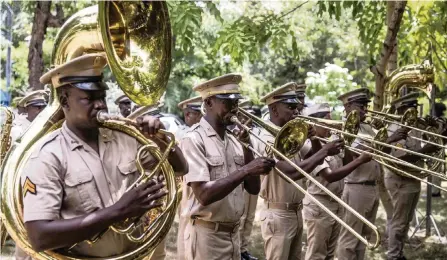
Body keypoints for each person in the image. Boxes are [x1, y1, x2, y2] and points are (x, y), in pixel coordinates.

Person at [18, 53, 188, 259]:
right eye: (89, 99)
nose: (100, 105)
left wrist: (159, 137)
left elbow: (180, 168)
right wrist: (118, 211)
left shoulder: (126, 138)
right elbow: (40, 236)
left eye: (101, 97)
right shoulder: (48, 155)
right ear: (64, 101)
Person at [179, 73, 275, 260]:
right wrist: (246, 169)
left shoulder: (235, 140)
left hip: (233, 234)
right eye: (227, 102)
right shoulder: (193, 139)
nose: (235, 108)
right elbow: (204, 195)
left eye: (236, 103)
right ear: (208, 103)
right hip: (206, 237)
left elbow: (254, 188)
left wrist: (247, 147)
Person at [254, 83, 344, 260]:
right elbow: (292, 174)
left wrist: (313, 139)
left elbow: (314, 157)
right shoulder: (266, 137)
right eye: (291, 107)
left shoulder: (291, 133)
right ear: (274, 109)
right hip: (278, 214)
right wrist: (325, 150)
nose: (296, 112)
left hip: (296, 211)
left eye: (297, 107)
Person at [336, 88, 409, 260]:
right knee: (349, 239)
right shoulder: (346, 128)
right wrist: (389, 138)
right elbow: (359, 152)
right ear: (347, 107)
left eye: (366, 105)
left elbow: (383, 149)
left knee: (364, 237)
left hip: (371, 187)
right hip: (356, 188)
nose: (365, 109)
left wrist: (392, 138)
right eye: (360, 106)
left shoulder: (367, 127)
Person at [302, 103, 372, 260]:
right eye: (327, 121)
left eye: (331, 119)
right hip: (319, 204)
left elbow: (347, 164)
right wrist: (360, 160)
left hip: (336, 201)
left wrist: (346, 141)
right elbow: (330, 175)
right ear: (314, 123)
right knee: (316, 254)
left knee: (329, 254)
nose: (332, 124)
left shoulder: (332, 140)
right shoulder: (311, 146)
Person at [384, 92, 442, 260]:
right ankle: (393, 256)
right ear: (401, 109)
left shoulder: (414, 126)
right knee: (399, 221)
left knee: (406, 220)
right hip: (400, 179)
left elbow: (437, 140)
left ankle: (399, 253)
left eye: (415, 108)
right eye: (411, 108)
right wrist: (425, 151)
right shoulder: (396, 128)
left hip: (413, 177)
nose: (415, 112)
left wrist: (436, 128)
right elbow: (400, 159)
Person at [175, 95, 202, 260]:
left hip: (198, 179)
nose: (201, 117)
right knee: (186, 220)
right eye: (197, 113)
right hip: (186, 183)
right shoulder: (182, 134)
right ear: (187, 115)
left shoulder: (199, 134)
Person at [237, 99, 260, 260]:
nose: (248, 120)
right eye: (244, 115)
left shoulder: (254, 133)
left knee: (250, 216)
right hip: (241, 181)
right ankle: (238, 248)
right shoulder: (233, 133)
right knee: (242, 216)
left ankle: (243, 248)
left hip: (253, 179)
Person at [431, 102, 446, 197]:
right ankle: (436, 190)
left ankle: (435, 192)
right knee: (437, 170)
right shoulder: (443, 120)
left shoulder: (439, 121)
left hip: (436, 147)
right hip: (440, 147)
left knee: (435, 171)